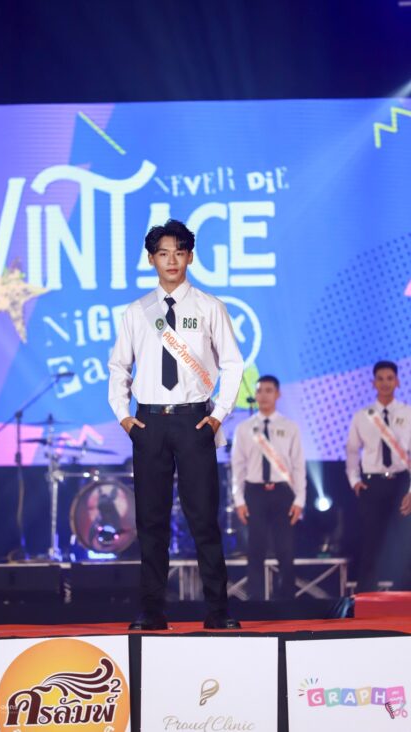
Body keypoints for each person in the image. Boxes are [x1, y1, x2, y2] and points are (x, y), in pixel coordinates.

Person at [108, 219, 244, 630]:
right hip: (148, 424)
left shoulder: (208, 306)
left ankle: (218, 612)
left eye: (179, 252)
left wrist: (218, 415)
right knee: (151, 522)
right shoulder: (137, 312)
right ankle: (152, 612)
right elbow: (119, 367)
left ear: (190, 257)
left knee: (204, 519)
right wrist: (125, 417)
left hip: (194, 422)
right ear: (151, 259)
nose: (171, 260)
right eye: (163, 253)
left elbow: (233, 363)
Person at [232, 375, 306, 599]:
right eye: (260, 391)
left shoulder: (289, 427)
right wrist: (239, 500)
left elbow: (298, 465)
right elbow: (238, 466)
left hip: (283, 492)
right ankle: (255, 603)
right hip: (254, 492)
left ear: (278, 394)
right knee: (255, 549)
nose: (263, 395)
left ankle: (287, 602)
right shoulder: (244, 428)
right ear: (255, 395)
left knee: (285, 549)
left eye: (268, 390)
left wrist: (300, 499)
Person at [346, 360, 411, 592]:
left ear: (398, 382)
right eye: (380, 379)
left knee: (405, 543)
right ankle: (367, 599)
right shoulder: (363, 416)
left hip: (402, 483)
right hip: (372, 484)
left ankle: (405, 597)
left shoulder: (408, 413)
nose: (385, 383)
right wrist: (355, 480)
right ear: (373, 383)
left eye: (390, 378)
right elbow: (352, 450)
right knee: (371, 543)